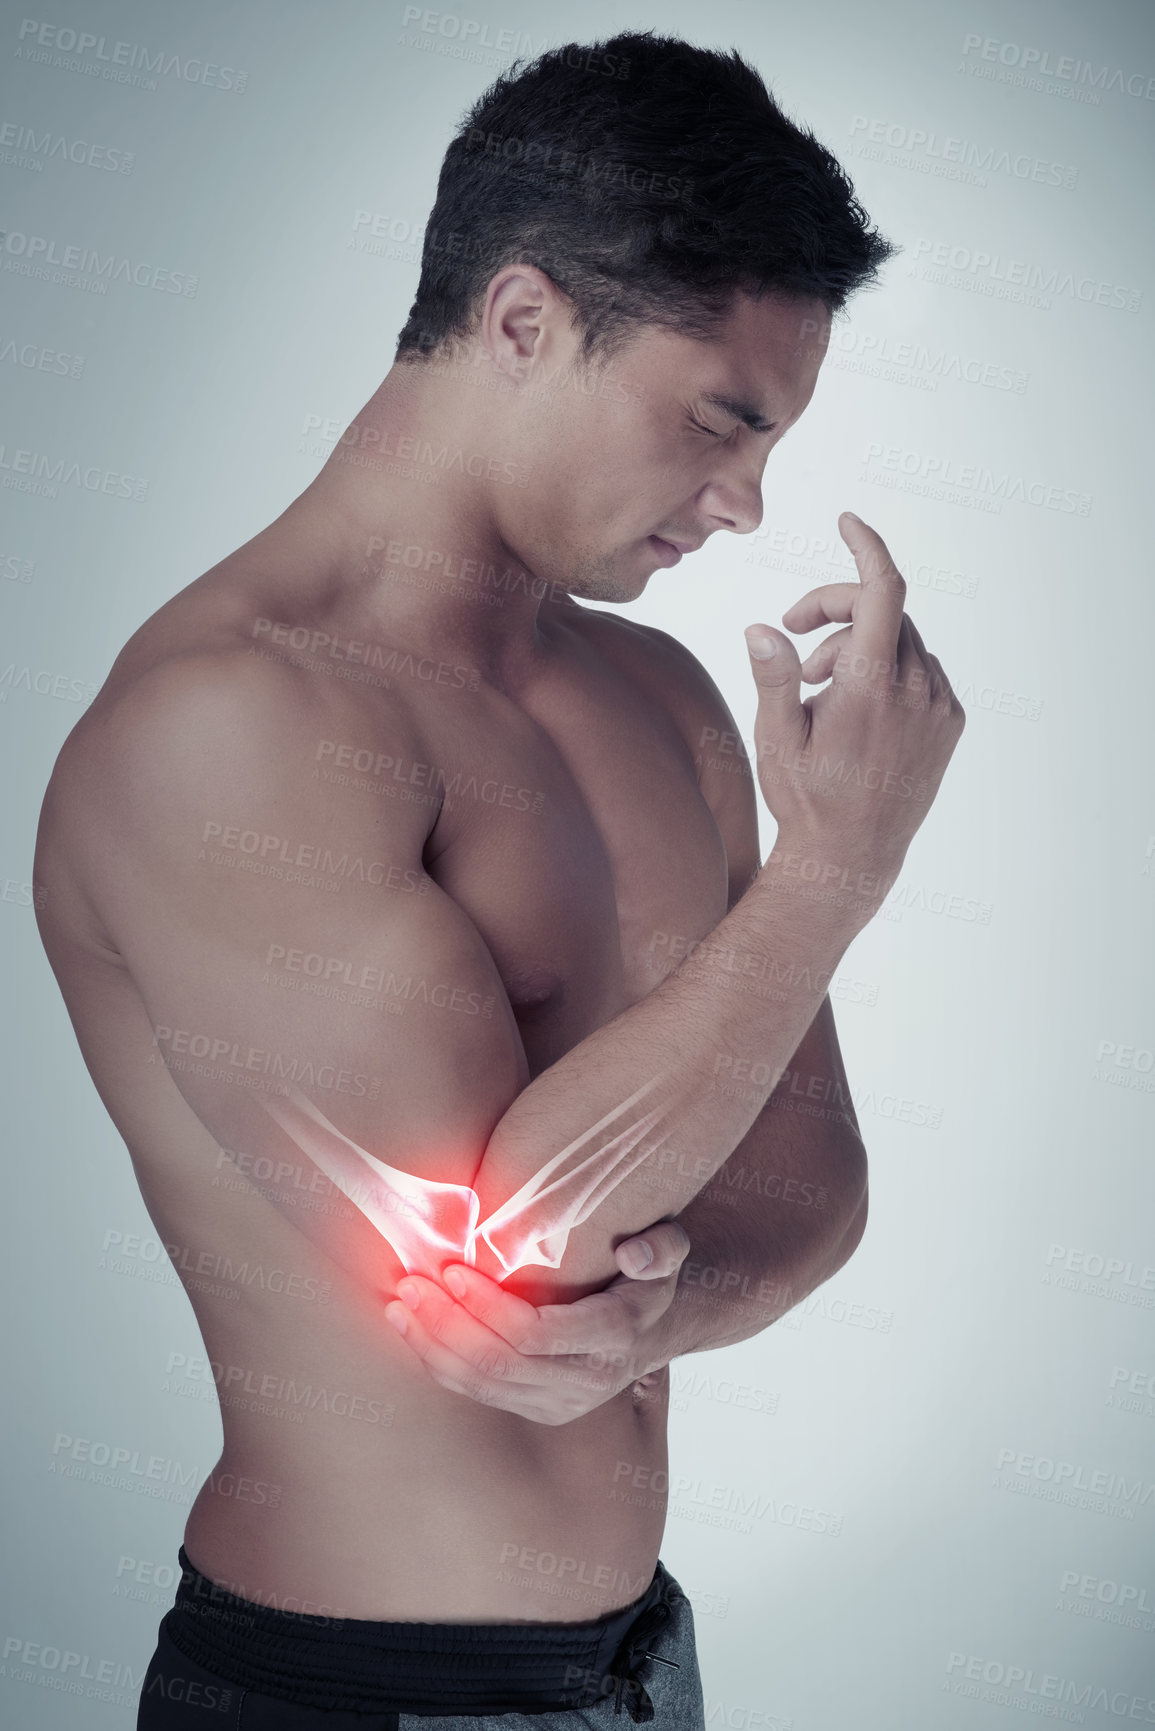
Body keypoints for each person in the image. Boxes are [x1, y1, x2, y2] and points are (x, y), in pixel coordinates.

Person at [33, 29, 964, 1727]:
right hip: (350, 1689)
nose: (747, 506)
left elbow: (812, 1194)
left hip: (641, 1668)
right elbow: (518, 1255)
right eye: (717, 423)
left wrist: (649, 1322)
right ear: (523, 321)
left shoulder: (665, 698)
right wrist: (835, 869)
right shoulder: (229, 731)